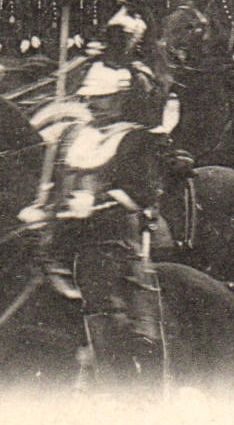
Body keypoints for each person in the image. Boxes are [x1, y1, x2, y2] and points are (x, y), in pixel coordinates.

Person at [17, 62, 164, 387]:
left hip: (109, 237)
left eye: (104, 97)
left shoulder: (134, 138)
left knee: (96, 284)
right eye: (92, 97)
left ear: (120, 98)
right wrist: (40, 207)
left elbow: (142, 194)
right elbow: (54, 181)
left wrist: (97, 205)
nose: (96, 104)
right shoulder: (72, 134)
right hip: (61, 232)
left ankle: (111, 376)